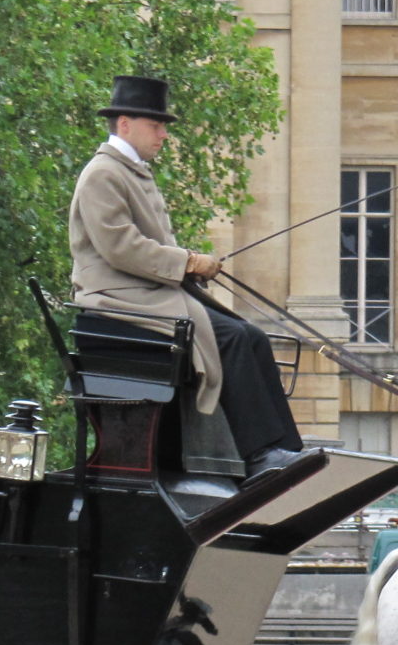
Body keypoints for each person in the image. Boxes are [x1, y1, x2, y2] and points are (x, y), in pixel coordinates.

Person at [68, 74, 304, 482]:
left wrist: (187, 264)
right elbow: (121, 247)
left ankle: (285, 448)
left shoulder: (131, 171)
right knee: (230, 339)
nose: (163, 135)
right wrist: (189, 262)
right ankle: (257, 456)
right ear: (125, 124)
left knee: (252, 336)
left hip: (149, 290)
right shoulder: (102, 174)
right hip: (116, 296)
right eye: (155, 125)